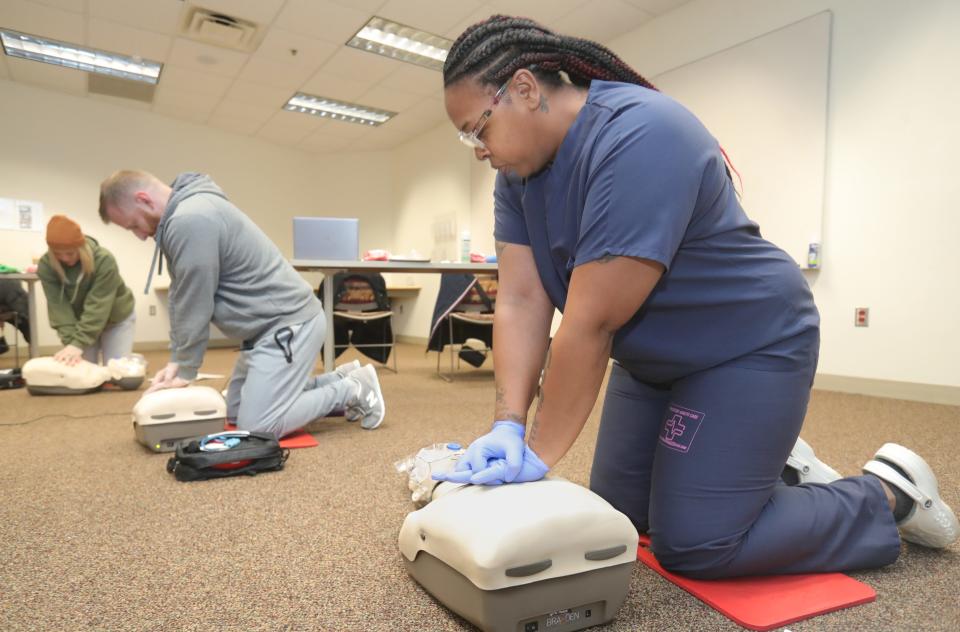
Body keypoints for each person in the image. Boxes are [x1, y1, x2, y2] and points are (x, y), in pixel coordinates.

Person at [433, 16, 957, 578]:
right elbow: (518, 300)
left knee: (698, 544)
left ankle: (884, 495)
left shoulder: (641, 134)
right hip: (654, 358)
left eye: (477, 129)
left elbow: (590, 322)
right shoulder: (518, 175)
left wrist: (535, 456)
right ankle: (768, 466)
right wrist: (508, 423)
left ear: (525, 90)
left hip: (748, 343)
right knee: (623, 517)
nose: (478, 150)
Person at [97, 170, 386, 438]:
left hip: (288, 326)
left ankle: (352, 389)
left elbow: (195, 299)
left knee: (258, 425)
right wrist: (177, 360)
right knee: (233, 411)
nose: (140, 235)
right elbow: (181, 293)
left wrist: (185, 368)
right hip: (263, 332)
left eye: (134, 224)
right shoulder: (189, 211)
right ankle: (340, 378)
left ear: (143, 199)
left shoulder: (191, 219)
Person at [37, 215, 135, 366]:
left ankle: (130, 359)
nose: (64, 258)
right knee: (83, 372)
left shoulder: (104, 260)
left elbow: (98, 305)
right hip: (81, 322)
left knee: (117, 374)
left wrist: (78, 343)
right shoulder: (46, 265)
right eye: (58, 254)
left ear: (80, 247)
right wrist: (72, 343)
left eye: (70, 253)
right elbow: (59, 308)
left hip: (115, 318)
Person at [0, 279, 31, 354]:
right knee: (28, 327)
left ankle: (1, 343)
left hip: (16, 305)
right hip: (17, 306)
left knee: (27, 325)